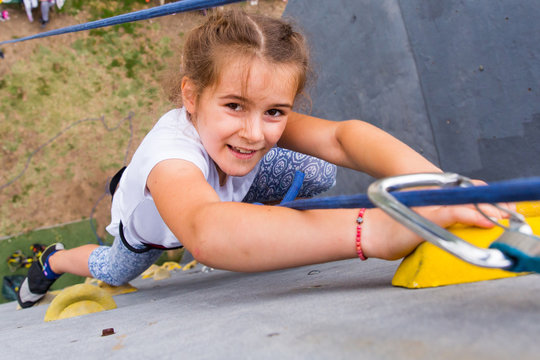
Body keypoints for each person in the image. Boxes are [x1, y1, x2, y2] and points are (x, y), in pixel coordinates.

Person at [17, 9, 502, 308]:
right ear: (191, 94)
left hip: (226, 184)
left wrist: (441, 185)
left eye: (275, 111)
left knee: (318, 168)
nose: (254, 131)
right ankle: (54, 261)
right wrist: (374, 230)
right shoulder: (171, 160)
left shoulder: (246, 125)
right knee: (113, 268)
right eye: (234, 106)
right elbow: (206, 234)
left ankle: (259, 225)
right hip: (154, 229)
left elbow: (341, 139)